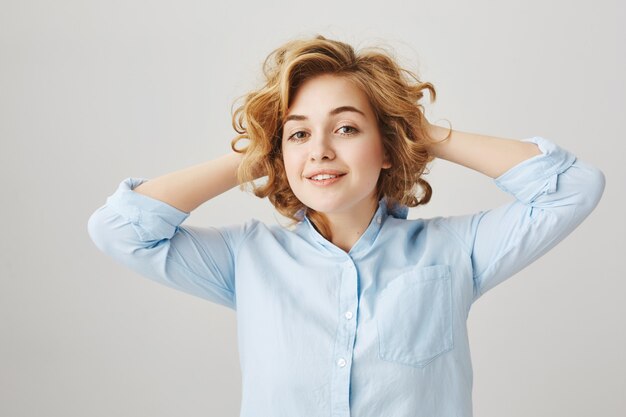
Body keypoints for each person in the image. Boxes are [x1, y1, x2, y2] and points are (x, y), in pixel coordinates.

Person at [87, 35, 605, 417]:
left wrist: (419, 130)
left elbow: (572, 187)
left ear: (385, 146)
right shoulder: (247, 259)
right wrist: (257, 151)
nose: (320, 151)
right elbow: (120, 229)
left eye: (347, 127)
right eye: (299, 134)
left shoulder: (455, 250)